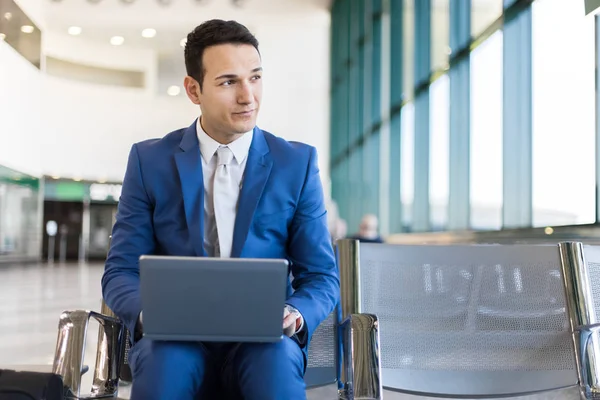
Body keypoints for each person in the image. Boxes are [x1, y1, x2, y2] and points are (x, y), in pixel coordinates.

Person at [101, 19, 339, 400]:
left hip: (264, 340)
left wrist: (294, 313)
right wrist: (150, 315)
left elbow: (322, 276)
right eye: (229, 82)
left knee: (274, 368)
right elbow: (120, 271)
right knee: (164, 368)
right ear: (193, 90)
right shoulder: (150, 160)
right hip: (175, 338)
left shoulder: (297, 163)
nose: (249, 96)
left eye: (256, 78)